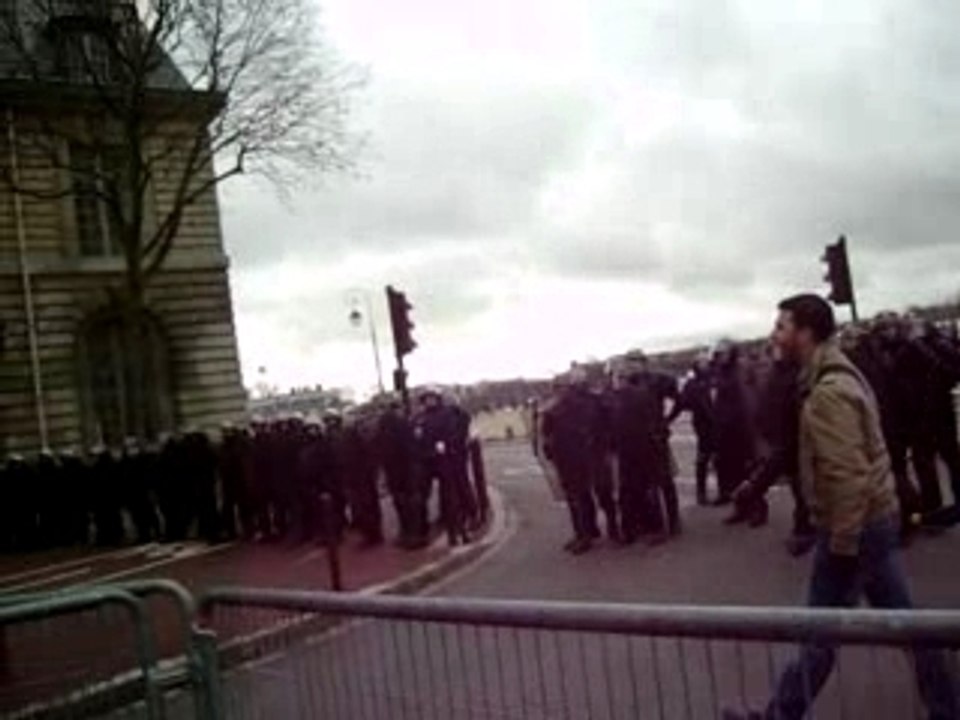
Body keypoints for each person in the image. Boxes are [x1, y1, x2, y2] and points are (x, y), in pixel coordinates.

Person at [724, 294, 958, 720]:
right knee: (899, 627)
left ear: (806, 332)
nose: (775, 335)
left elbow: (848, 476)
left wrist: (842, 543)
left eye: (782, 326)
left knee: (829, 632)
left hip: (853, 528)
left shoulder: (828, 393)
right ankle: (946, 706)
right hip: (869, 523)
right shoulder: (832, 374)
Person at [667, 352, 716, 505]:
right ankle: (700, 493)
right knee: (703, 458)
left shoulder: (715, 380)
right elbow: (681, 404)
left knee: (723, 458)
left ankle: (727, 489)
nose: (705, 364)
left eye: (705, 361)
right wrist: (668, 420)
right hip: (703, 425)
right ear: (696, 365)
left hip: (721, 424)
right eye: (701, 362)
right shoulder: (692, 384)